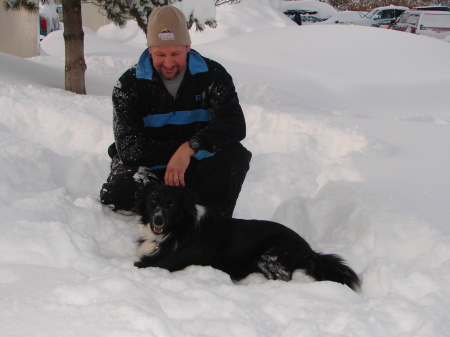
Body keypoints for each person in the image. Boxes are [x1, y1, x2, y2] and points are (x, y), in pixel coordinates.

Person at [100, 5, 251, 218]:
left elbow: (234, 125)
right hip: (148, 167)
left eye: (176, 53)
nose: (168, 62)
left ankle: (212, 225)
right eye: (160, 54)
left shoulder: (213, 75)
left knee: (234, 155)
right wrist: (177, 153)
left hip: (194, 162)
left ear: (188, 47)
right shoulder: (129, 85)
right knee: (122, 192)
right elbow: (130, 148)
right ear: (150, 48)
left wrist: (190, 148)